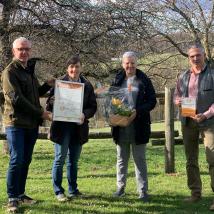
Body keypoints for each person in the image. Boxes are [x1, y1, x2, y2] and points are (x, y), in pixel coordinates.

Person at [1, 37, 53, 212]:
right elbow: (16, 99)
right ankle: (12, 198)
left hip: (31, 124)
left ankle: (21, 194)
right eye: (20, 49)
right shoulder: (9, 72)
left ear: (30, 51)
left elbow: (34, 93)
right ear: (14, 51)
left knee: (26, 159)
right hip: (15, 123)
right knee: (17, 159)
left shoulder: (28, 71)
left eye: (27, 49)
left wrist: (47, 85)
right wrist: (41, 113)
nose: (24, 52)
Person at [46, 55, 97, 202]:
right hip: (62, 128)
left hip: (78, 127)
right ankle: (58, 191)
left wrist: (84, 114)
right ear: (67, 68)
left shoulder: (87, 85)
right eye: (71, 67)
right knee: (60, 158)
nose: (74, 69)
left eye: (77, 66)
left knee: (73, 161)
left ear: (81, 68)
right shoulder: (59, 84)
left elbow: (92, 107)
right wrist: (52, 101)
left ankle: (73, 190)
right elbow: (49, 105)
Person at [111, 51, 156, 201]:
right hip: (121, 126)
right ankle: (120, 188)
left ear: (137, 63)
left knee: (139, 160)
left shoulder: (144, 80)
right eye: (127, 63)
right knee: (121, 159)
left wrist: (139, 111)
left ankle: (142, 191)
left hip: (139, 126)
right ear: (122, 64)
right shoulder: (117, 79)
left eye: (132, 63)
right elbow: (111, 99)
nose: (130, 66)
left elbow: (152, 101)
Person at [174, 45, 214, 210]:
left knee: (212, 159)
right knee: (191, 160)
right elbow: (176, 95)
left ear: (204, 55)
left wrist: (206, 114)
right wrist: (177, 101)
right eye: (192, 56)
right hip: (188, 122)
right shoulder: (183, 76)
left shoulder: (212, 75)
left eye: (198, 55)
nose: (195, 59)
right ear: (188, 58)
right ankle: (195, 194)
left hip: (209, 123)